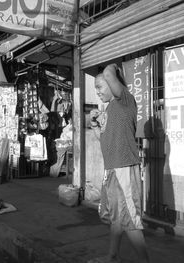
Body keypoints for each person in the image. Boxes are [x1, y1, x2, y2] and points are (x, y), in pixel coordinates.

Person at [88, 64, 149, 263]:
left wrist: (114, 67)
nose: (97, 91)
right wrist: (94, 123)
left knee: (130, 220)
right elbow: (102, 139)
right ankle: (112, 256)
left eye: (100, 86)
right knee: (116, 218)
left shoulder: (125, 100)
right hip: (112, 170)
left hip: (124, 168)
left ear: (113, 83)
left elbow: (108, 72)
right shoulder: (110, 109)